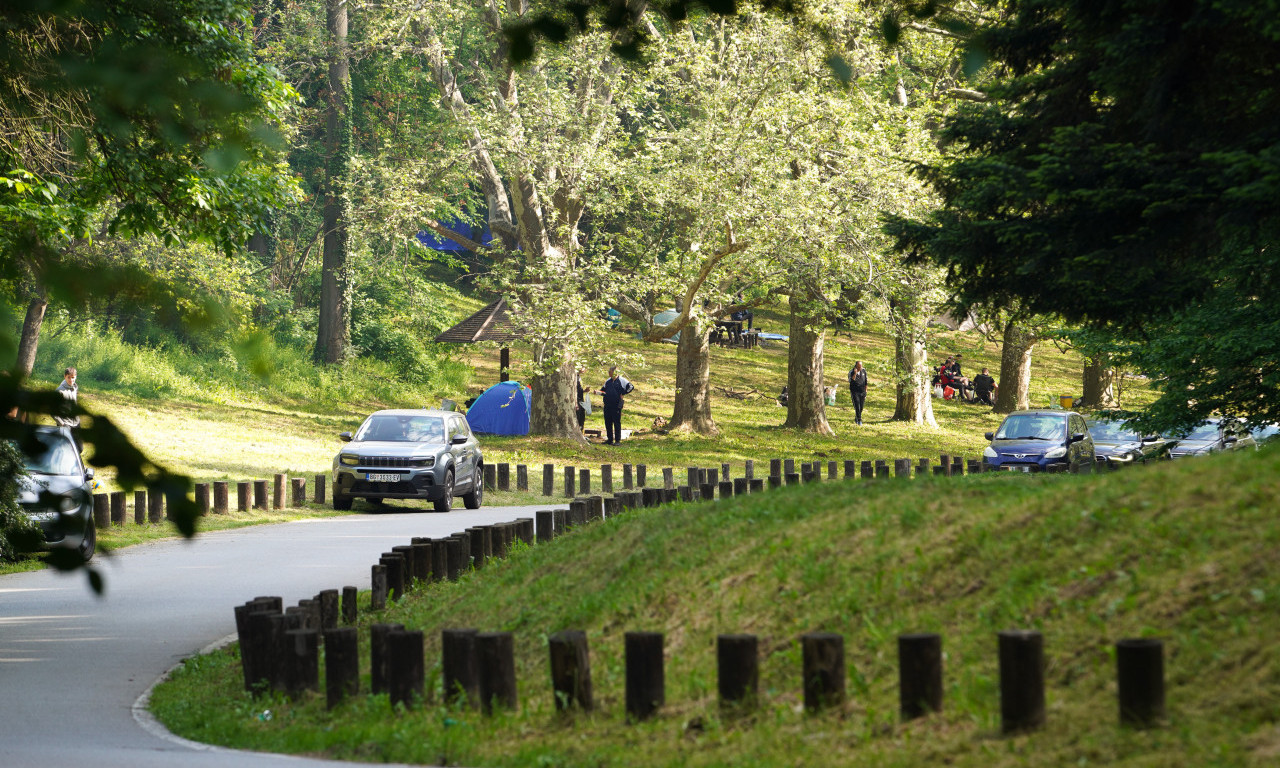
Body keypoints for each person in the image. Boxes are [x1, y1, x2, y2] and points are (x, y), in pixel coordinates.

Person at [597, 366, 634, 445]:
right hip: (607, 404)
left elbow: (631, 387)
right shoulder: (608, 381)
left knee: (616, 422)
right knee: (608, 422)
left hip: (616, 404)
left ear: (615, 373)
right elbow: (603, 390)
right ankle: (609, 439)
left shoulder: (622, 380)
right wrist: (598, 392)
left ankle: (617, 440)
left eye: (610, 372)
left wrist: (623, 393)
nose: (609, 373)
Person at [54, 366, 81, 449]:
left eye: (73, 378)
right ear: (64, 376)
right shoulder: (59, 391)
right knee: (64, 448)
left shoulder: (75, 387)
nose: (71, 380)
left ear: (75, 377)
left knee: (79, 448)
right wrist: (61, 423)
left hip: (76, 423)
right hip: (65, 424)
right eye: (68, 377)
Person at [848, 361, 868, 425]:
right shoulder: (851, 372)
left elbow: (866, 382)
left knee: (861, 407)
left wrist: (866, 391)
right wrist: (855, 373)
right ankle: (859, 420)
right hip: (855, 391)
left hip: (862, 391)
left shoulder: (864, 371)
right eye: (859, 366)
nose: (860, 368)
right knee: (857, 406)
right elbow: (851, 380)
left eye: (861, 366)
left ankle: (857, 417)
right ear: (856, 366)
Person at [575, 367, 587, 432]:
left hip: (581, 400)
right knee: (578, 416)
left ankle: (581, 430)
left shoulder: (579, 377)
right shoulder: (574, 377)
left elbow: (579, 390)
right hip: (576, 400)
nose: (584, 370)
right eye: (583, 367)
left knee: (582, 416)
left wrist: (584, 391)